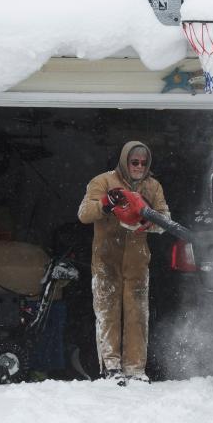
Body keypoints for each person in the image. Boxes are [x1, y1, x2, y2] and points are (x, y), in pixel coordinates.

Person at [77, 141, 170, 384]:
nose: (139, 167)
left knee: (137, 315)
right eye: (134, 162)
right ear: (124, 161)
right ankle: (111, 367)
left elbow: (166, 219)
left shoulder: (153, 186)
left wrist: (152, 222)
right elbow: (84, 214)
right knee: (108, 313)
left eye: (143, 163)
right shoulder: (103, 182)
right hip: (106, 260)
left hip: (137, 264)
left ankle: (136, 369)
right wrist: (106, 204)